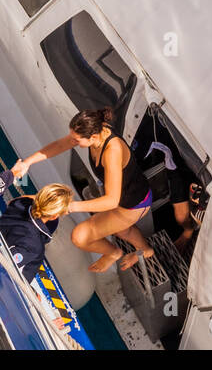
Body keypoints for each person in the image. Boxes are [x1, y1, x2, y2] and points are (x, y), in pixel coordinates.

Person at [12, 108, 155, 273]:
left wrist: (70, 206)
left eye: (77, 139)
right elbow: (60, 145)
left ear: (93, 137)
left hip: (133, 204)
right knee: (122, 230)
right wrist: (27, 163)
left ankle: (113, 253)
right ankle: (146, 250)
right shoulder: (96, 130)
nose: (73, 141)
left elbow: (111, 201)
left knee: (79, 237)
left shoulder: (112, 151)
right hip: (122, 194)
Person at [0, 183, 73, 282]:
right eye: (65, 211)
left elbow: (22, 200)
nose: (66, 212)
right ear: (54, 216)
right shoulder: (34, 245)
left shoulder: (20, 203)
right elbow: (3, 268)